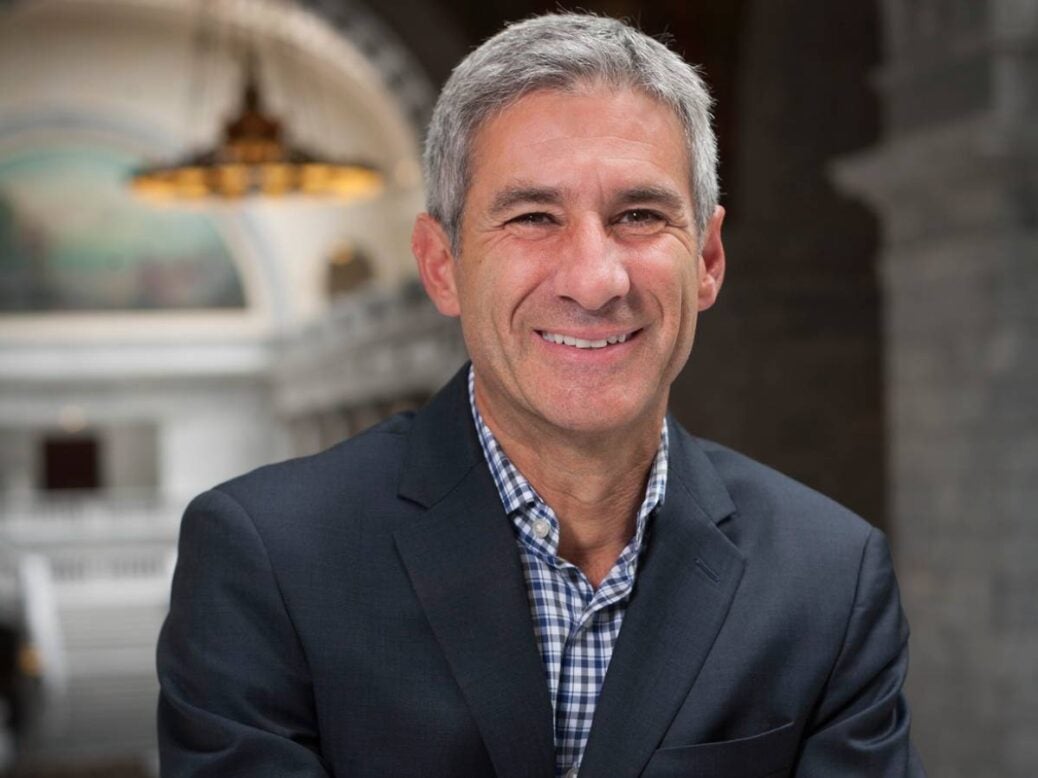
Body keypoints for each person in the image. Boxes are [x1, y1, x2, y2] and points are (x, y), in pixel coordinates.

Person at [157, 13, 925, 777]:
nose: (595, 281)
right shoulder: (266, 561)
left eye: (639, 215)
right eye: (532, 217)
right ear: (442, 266)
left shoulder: (831, 578)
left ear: (709, 259)